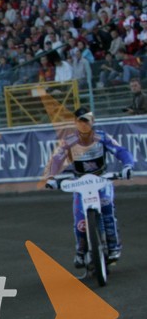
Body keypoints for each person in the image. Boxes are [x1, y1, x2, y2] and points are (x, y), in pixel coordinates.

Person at [45, 108, 134, 267]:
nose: (84, 124)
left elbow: (120, 151)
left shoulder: (102, 137)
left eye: (86, 120)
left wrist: (128, 165)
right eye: (80, 121)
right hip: (80, 183)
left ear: (92, 122)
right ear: (76, 123)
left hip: (101, 179)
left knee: (107, 209)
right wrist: (51, 177)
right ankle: (80, 251)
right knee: (80, 220)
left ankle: (114, 246)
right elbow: (57, 159)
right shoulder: (69, 141)